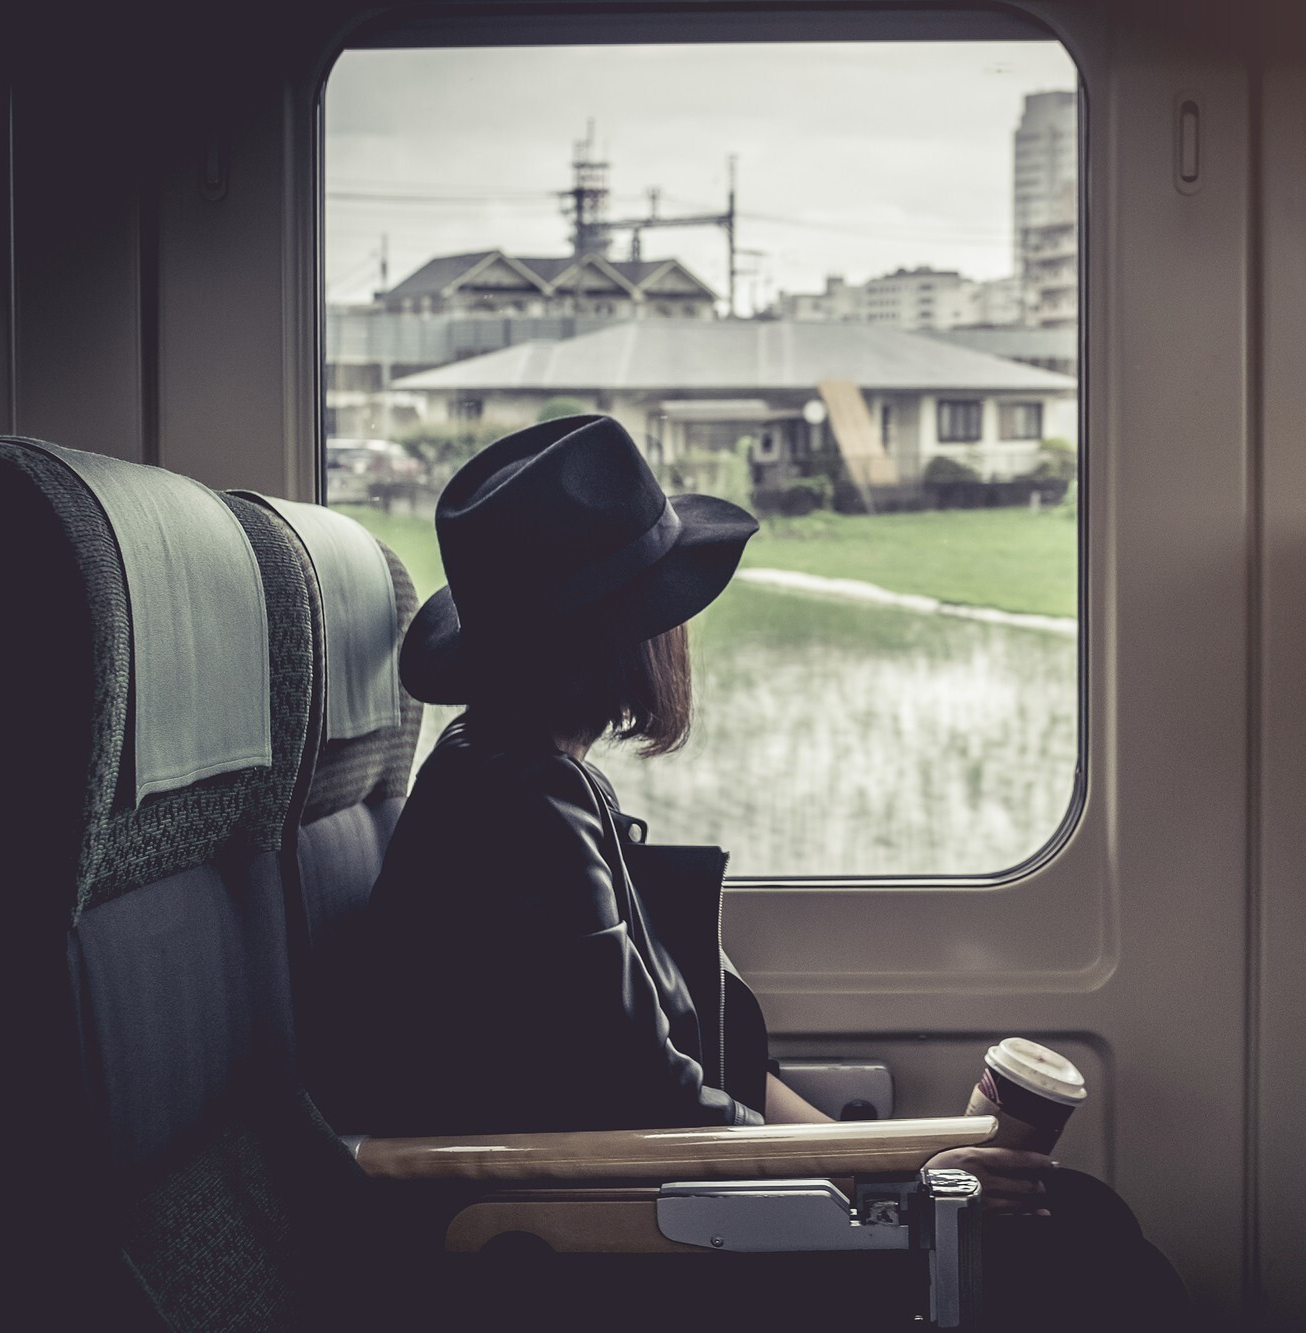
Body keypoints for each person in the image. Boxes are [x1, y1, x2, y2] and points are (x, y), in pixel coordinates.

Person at [362, 415, 1184, 1326]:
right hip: (609, 1242)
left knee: (1075, 1218)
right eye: (669, 606)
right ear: (626, 636)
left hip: (656, 1200)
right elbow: (656, 1108)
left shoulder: (522, 775)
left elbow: (690, 1068)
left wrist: (891, 1158)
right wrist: (901, 1178)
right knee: (1082, 1253)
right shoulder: (518, 812)